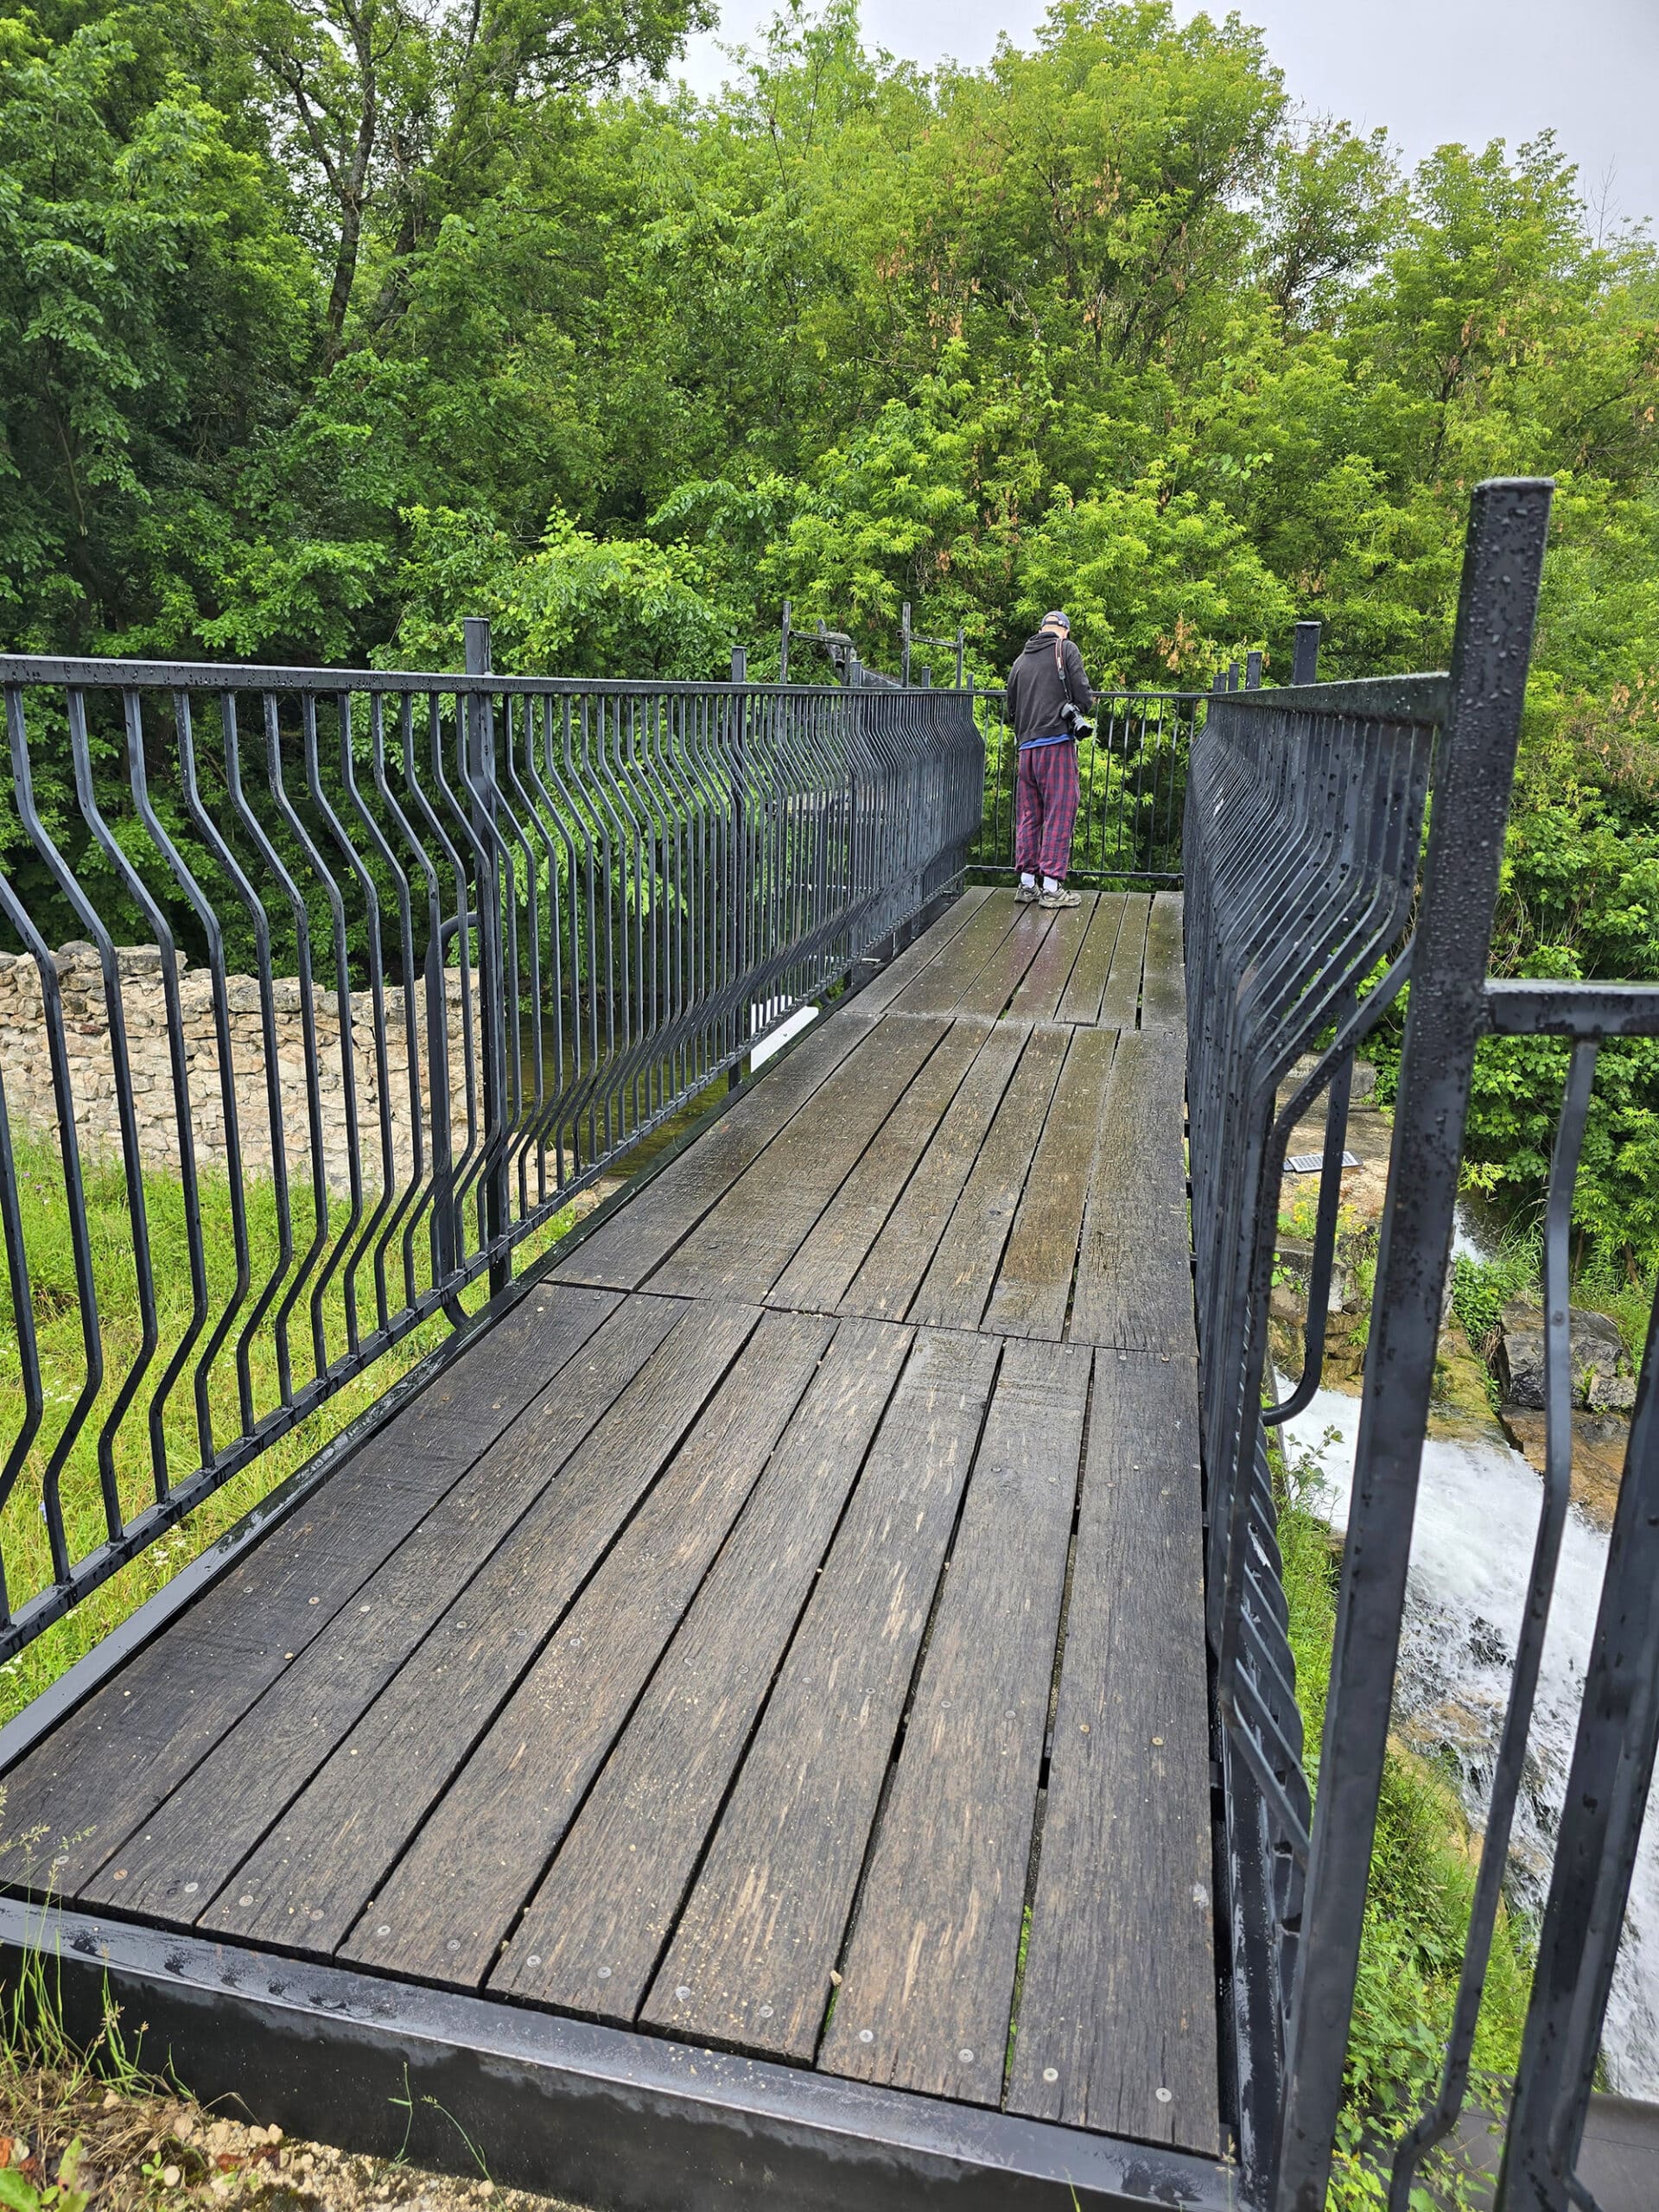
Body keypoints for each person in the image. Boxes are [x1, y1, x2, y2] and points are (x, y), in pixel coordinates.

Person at [1004, 610, 1091, 909]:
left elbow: (1011, 711)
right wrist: (1075, 709)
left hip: (1026, 750)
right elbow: (1083, 694)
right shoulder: (1065, 648)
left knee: (1030, 815)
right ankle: (1052, 887)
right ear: (1063, 630)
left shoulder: (1020, 662)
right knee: (1060, 809)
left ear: (1041, 629)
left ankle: (1027, 885)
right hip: (1055, 745)